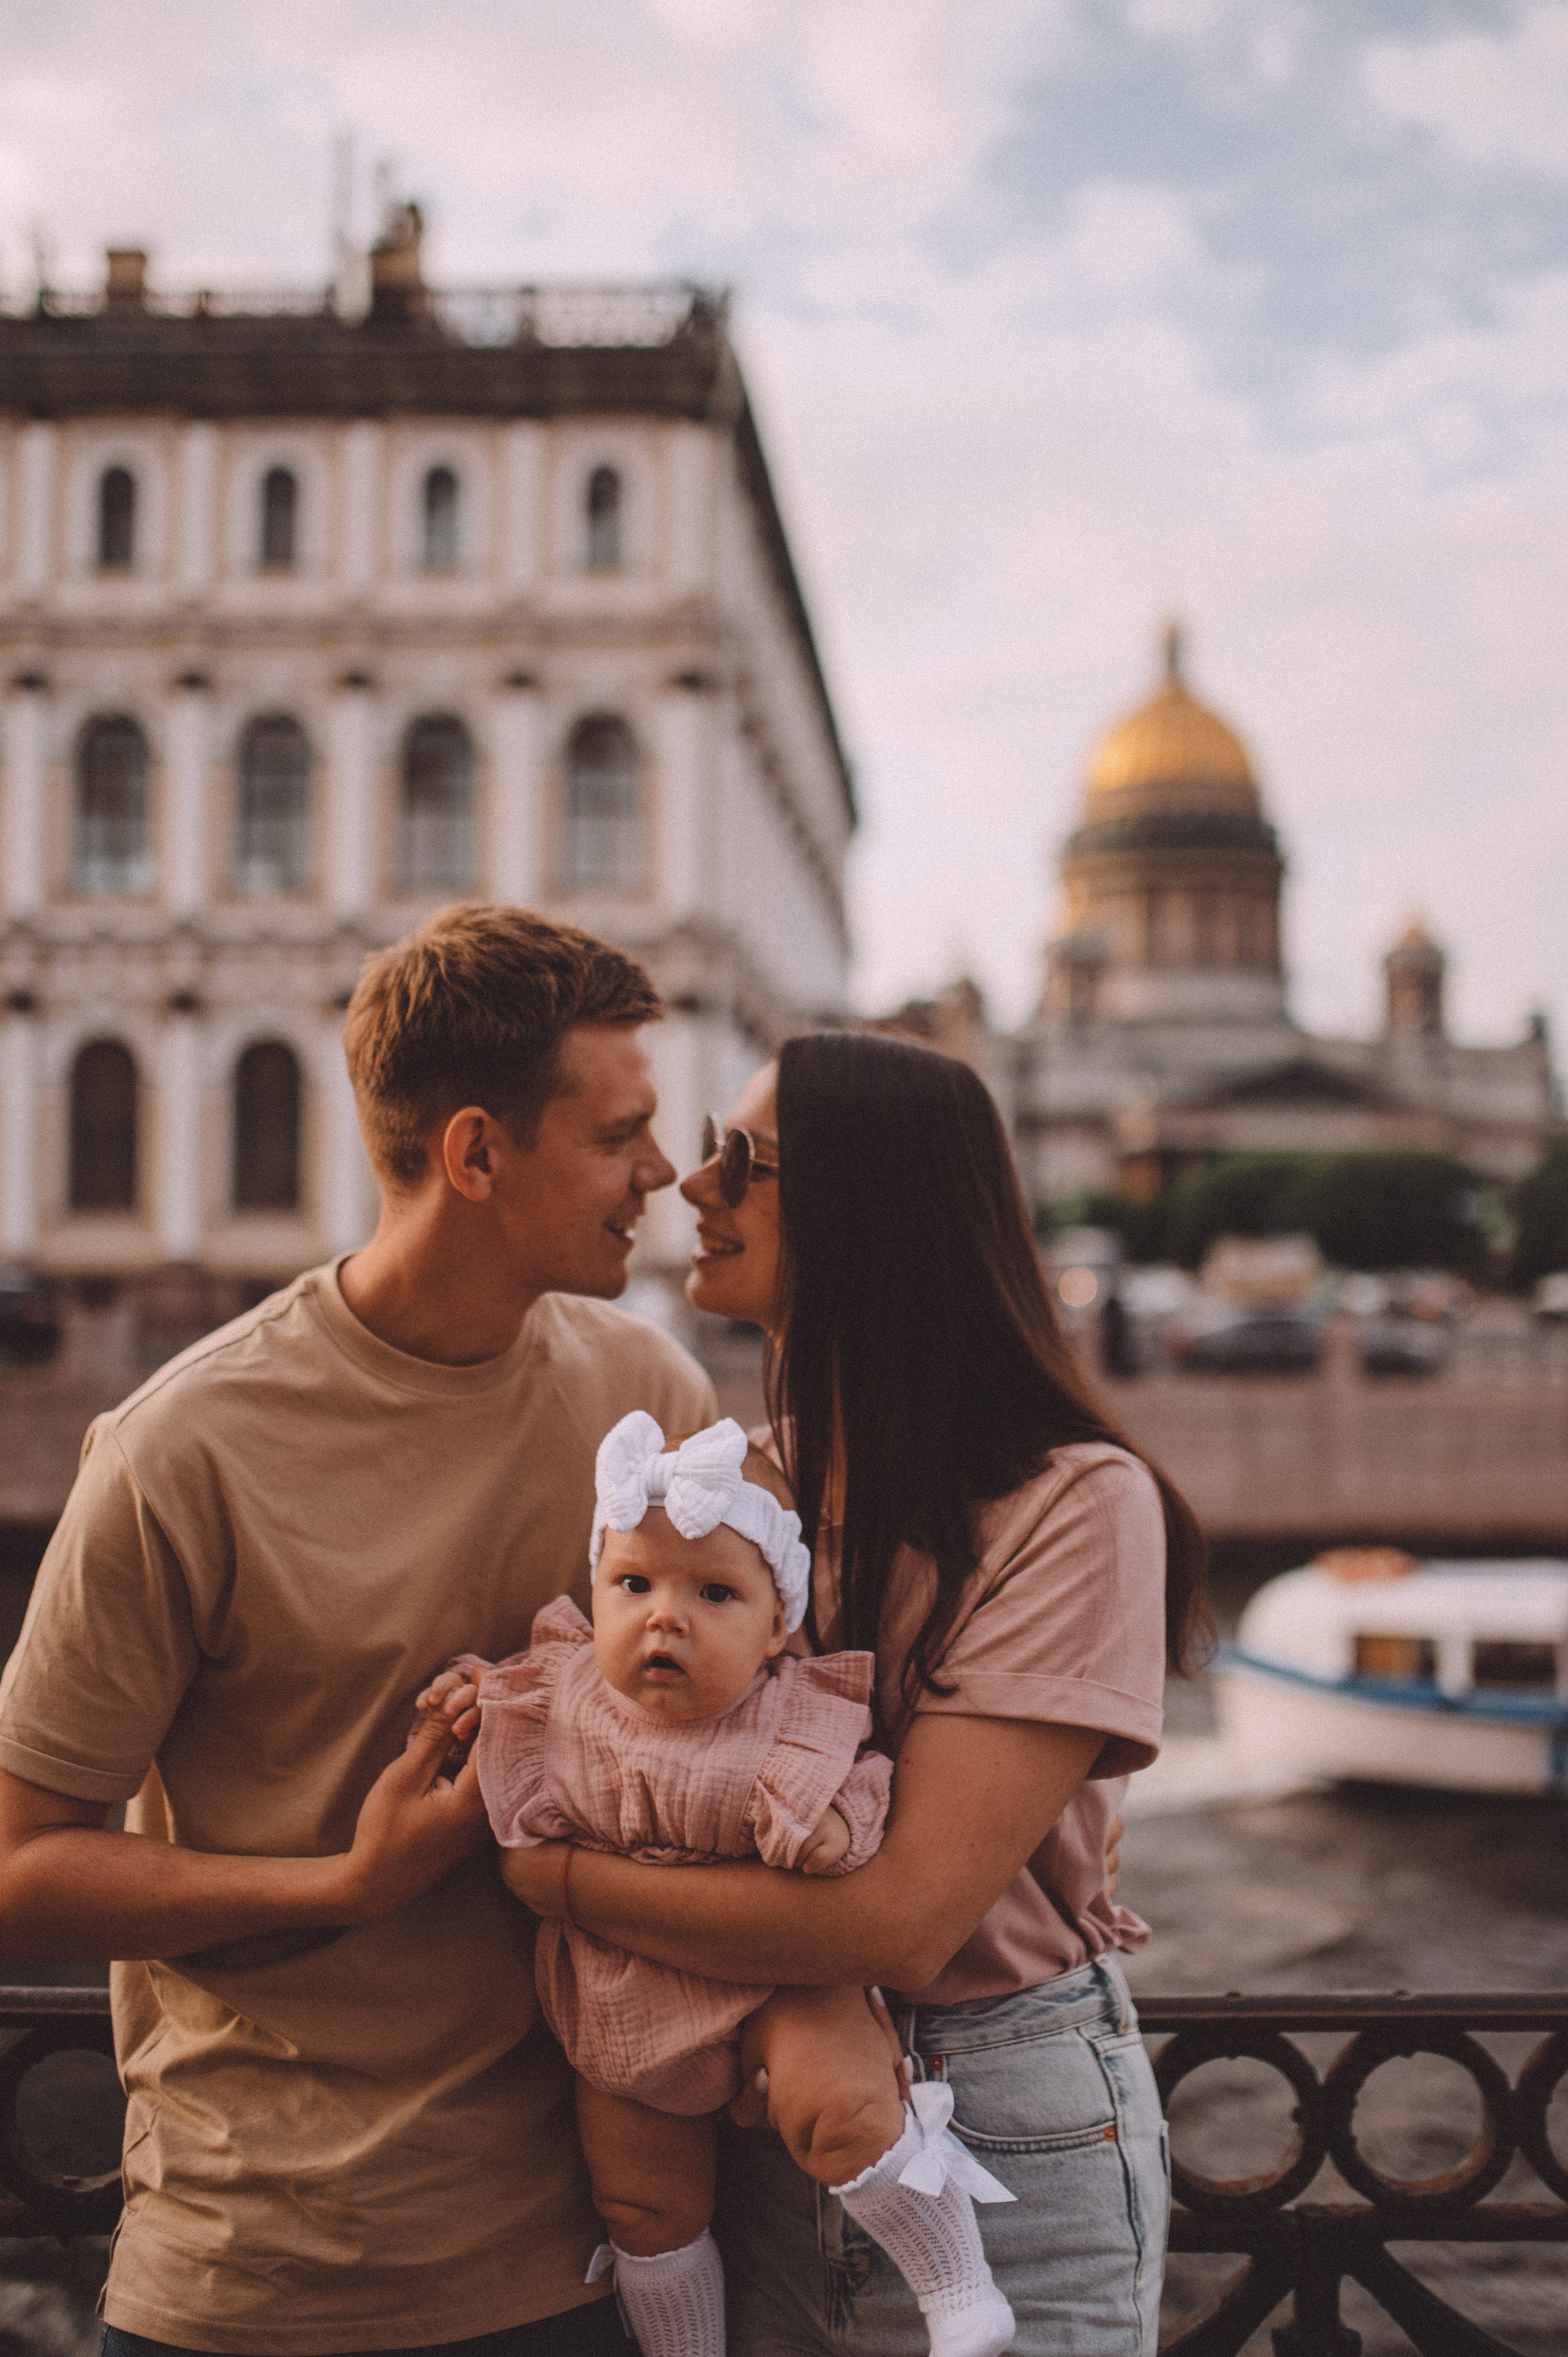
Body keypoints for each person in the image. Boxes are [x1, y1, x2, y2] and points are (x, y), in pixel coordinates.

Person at [0, 905, 717, 2357]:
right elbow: (23, 1866)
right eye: (619, 1135)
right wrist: (345, 1883)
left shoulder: (642, 1392)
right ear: (473, 1154)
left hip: (577, 2265)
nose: (663, 1173)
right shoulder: (180, 1447)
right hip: (249, 2281)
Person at [501, 1031, 1208, 2357]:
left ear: (870, 1209)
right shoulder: (738, 1502)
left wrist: (560, 1887)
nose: (692, 1187)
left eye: (742, 1162)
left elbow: (897, 1921)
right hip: (754, 2112)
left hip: (996, 2128)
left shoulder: (1069, 1502)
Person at [425, 1409, 1015, 2357]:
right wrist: (469, 1699)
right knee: (640, 2201)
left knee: (847, 2111)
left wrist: (835, 1829)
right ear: (594, 1593)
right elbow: (501, 1719)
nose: (665, 1615)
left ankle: (959, 2293)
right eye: (633, 1584)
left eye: (713, 1594)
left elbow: (865, 1789)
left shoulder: (787, 1716)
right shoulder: (559, 1696)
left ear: (778, 1625)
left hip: (773, 1970)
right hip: (621, 1990)